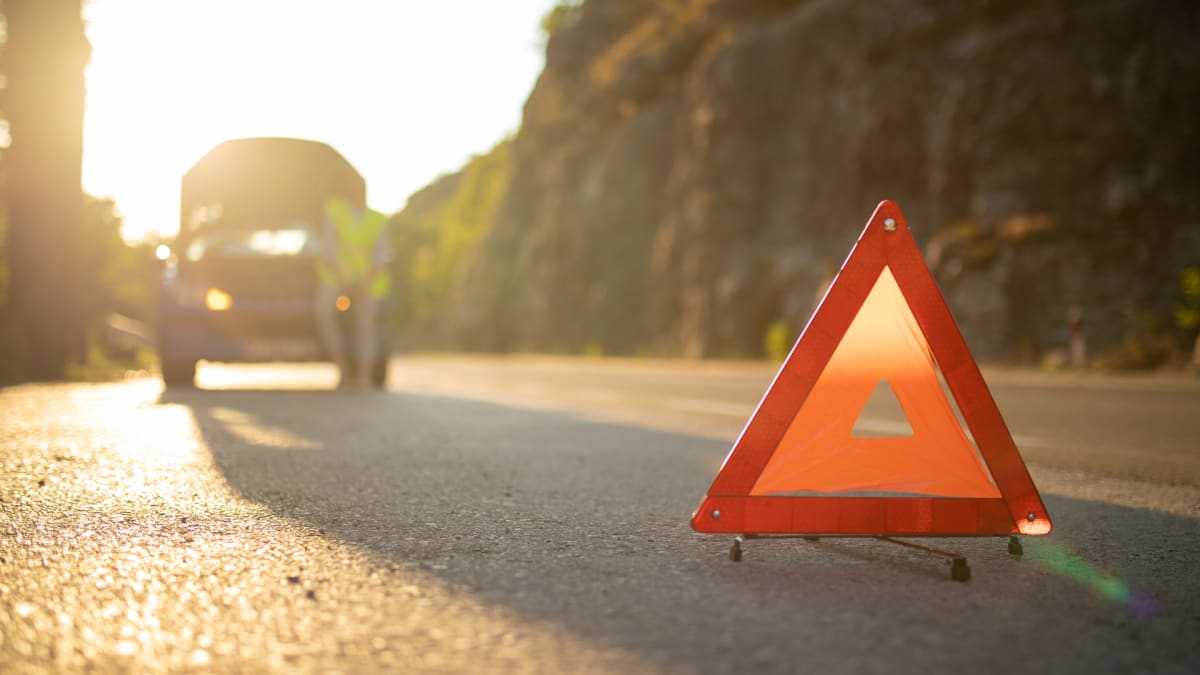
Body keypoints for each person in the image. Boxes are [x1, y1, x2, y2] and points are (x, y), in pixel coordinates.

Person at [314, 197, 391, 389]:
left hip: (368, 282)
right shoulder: (335, 211)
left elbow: (381, 256)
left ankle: (364, 376)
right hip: (338, 280)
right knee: (323, 310)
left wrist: (363, 286)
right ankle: (343, 369)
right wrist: (344, 284)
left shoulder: (377, 219)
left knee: (366, 326)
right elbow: (329, 252)